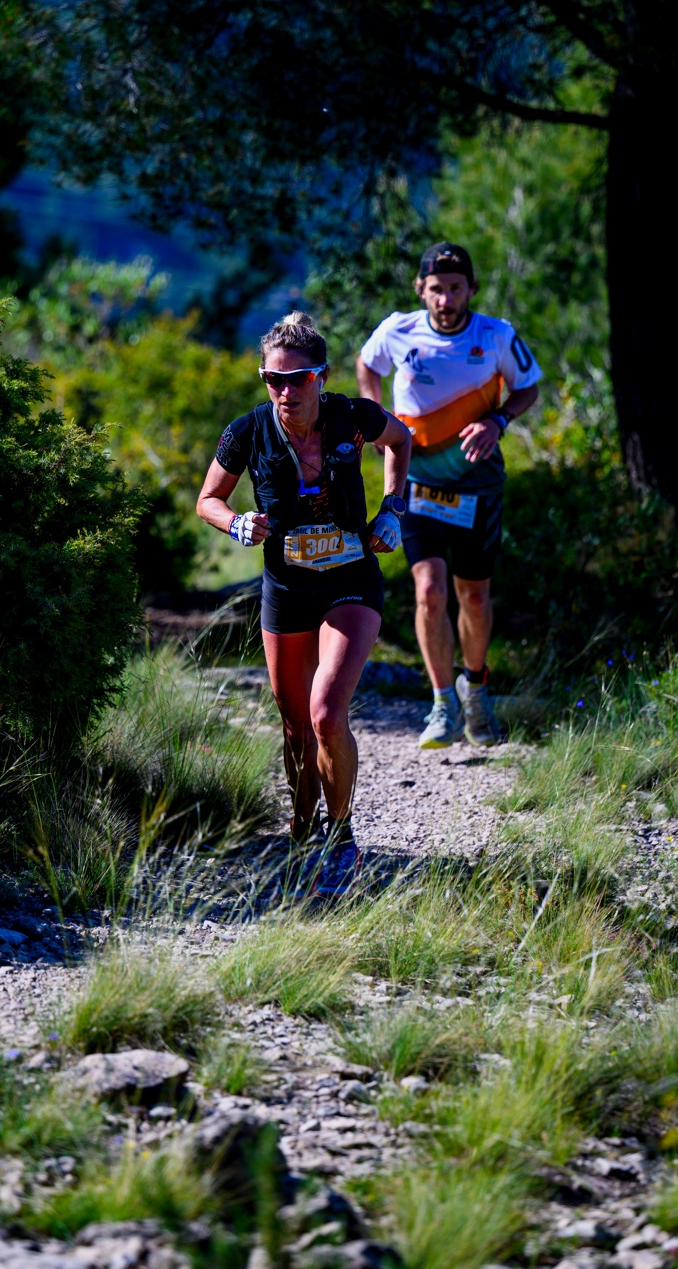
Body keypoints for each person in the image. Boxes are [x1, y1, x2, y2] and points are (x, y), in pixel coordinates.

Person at [197, 311, 412, 896]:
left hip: (350, 580)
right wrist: (236, 522)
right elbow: (208, 499)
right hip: (287, 588)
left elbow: (402, 441)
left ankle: (341, 839)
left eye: (297, 379)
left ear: (322, 377)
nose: (285, 391)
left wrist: (393, 511)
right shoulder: (248, 431)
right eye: (273, 379)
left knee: (325, 714)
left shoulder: (353, 417)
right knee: (295, 729)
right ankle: (301, 832)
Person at [356, 241, 542, 749]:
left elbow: (529, 386)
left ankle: (475, 690)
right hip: (416, 483)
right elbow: (367, 365)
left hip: (478, 485)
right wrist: (377, 417)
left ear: (471, 289)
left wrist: (498, 420)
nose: (446, 299)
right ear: (421, 289)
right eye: (436, 289)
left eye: (456, 288)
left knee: (474, 597)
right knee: (429, 591)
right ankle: (442, 702)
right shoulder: (398, 330)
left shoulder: (496, 335)